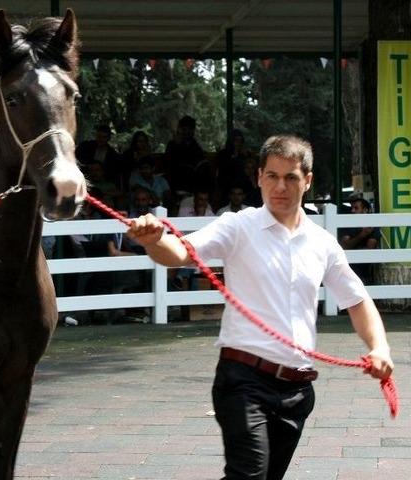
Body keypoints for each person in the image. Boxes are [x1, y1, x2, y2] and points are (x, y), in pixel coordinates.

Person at [126, 134, 393, 480]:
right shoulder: (237, 226)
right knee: (249, 476)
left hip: (298, 391)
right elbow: (180, 253)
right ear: (259, 177)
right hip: (243, 382)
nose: (280, 187)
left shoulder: (323, 243)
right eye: (272, 176)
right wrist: (155, 241)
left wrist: (380, 346)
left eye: (291, 177)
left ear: (307, 181)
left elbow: (357, 301)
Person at [338, 198, 380, 284]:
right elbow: (344, 246)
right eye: (352, 208)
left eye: (356, 208)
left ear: (365, 210)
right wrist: (362, 235)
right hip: (346, 271)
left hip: (364, 272)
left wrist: (352, 244)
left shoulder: (372, 225)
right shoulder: (346, 224)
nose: (353, 211)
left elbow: (369, 249)